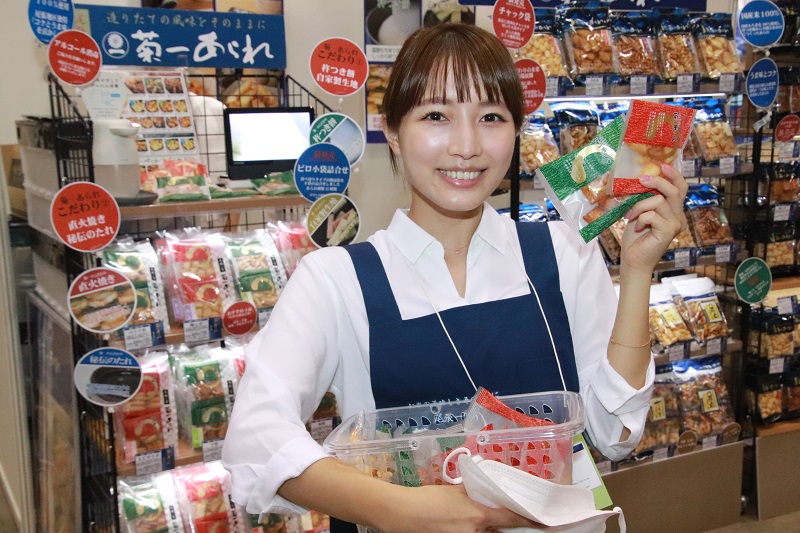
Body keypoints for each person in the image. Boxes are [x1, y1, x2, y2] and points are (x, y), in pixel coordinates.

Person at [223, 23, 688, 533]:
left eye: (491, 117)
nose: (466, 146)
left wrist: (637, 270)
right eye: (436, 116)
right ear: (393, 131)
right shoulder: (336, 280)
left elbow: (614, 433)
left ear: (516, 130)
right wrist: (398, 509)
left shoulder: (563, 253)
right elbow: (255, 437)